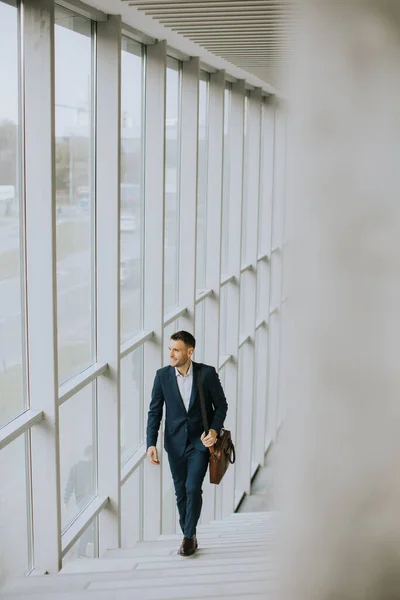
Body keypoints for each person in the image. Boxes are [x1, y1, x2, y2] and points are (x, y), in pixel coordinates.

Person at [146, 330, 228, 556]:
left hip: (200, 443)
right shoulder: (162, 376)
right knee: (180, 491)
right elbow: (155, 412)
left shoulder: (206, 374)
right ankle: (189, 532)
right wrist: (150, 443)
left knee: (193, 488)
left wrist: (213, 430)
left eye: (176, 350)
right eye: (170, 349)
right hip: (174, 444)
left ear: (189, 352)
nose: (171, 354)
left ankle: (188, 536)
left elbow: (221, 406)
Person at [64, 445, 94, 558]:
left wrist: (65, 501)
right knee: (87, 525)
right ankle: (81, 552)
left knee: (88, 524)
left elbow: (69, 485)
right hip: (88, 499)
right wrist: (65, 500)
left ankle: (85, 546)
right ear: (91, 453)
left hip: (81, 500)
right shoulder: (92, 466)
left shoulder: (75, 468)